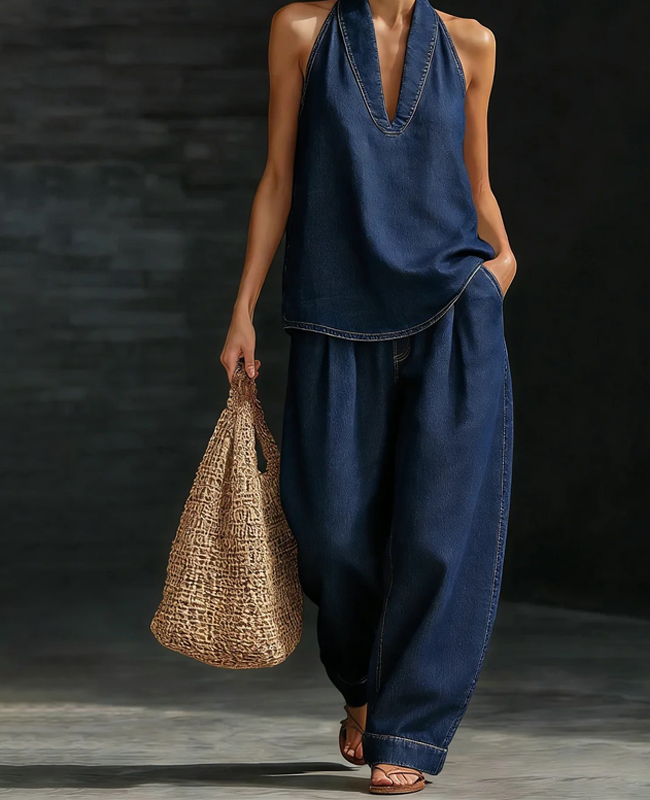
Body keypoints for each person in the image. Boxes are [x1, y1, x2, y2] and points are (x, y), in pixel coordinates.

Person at [220, 0, 516, 793]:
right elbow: (278, 177)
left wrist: (502, 266)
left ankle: (409, 733)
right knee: (331, 532)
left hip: (453, 308)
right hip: (333, 310)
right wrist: (243, 307)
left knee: (440, 533)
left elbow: (477, 184)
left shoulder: (471, 45)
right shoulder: (301, 32)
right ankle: (362, 687)